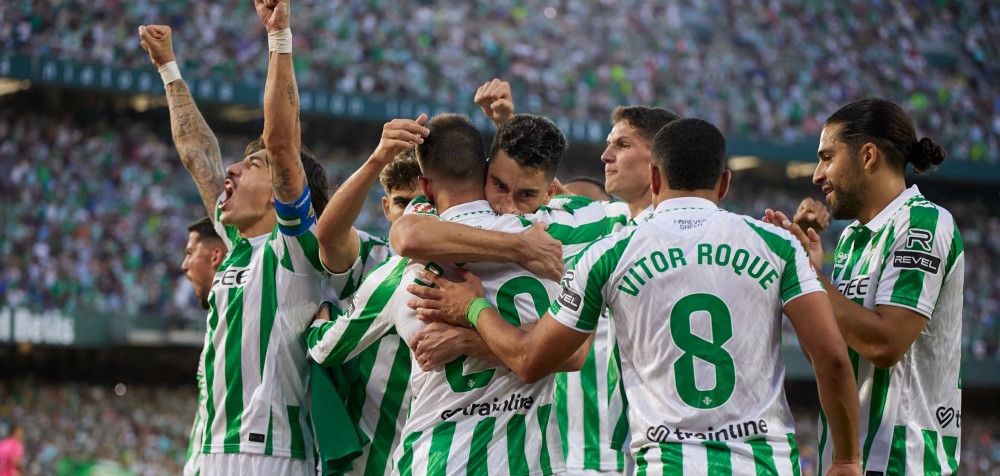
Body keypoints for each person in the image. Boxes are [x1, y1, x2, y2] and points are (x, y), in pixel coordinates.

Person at [408, 118, 863, 475]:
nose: (508, 205)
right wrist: (846, 460)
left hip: (663, 463)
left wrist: (474, 308)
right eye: (499, 186)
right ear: (725, 184)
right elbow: (832, 359)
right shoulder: (776, 244)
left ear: (654, 176)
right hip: (766, 463)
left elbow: (532, 360)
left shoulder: (609, 250)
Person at [308, 113, 591, 475]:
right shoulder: (552, 237)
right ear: (485, 169)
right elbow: (570, 354)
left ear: (426, 188)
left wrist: (318, 324)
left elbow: (327, 349)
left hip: (438, 460)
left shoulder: (401, 270)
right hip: (532, 464)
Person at [140, 0, 332, 473]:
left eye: (253, 165)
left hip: (271, 455)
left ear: (281, 190)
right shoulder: (238, 244)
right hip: (208, 451)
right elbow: (198, 155)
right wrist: (168, 67)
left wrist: (279, 37)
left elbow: (282, 142)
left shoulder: (295, 247)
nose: (233, 169)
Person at [765, 98, 963, 475]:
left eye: (827, 157)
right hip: (848, 461)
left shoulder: (921, 223)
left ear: (868, 156)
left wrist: (806, 274)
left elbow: (885, 344)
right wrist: (806, 279)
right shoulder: (853, 239)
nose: (817, 175)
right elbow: (827, 352)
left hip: (904, 462)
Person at [180, 217, 227, 476]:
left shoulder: (240, 315)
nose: (184, 265)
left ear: (215, 256)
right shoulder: (215, 320)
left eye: (190, 253)